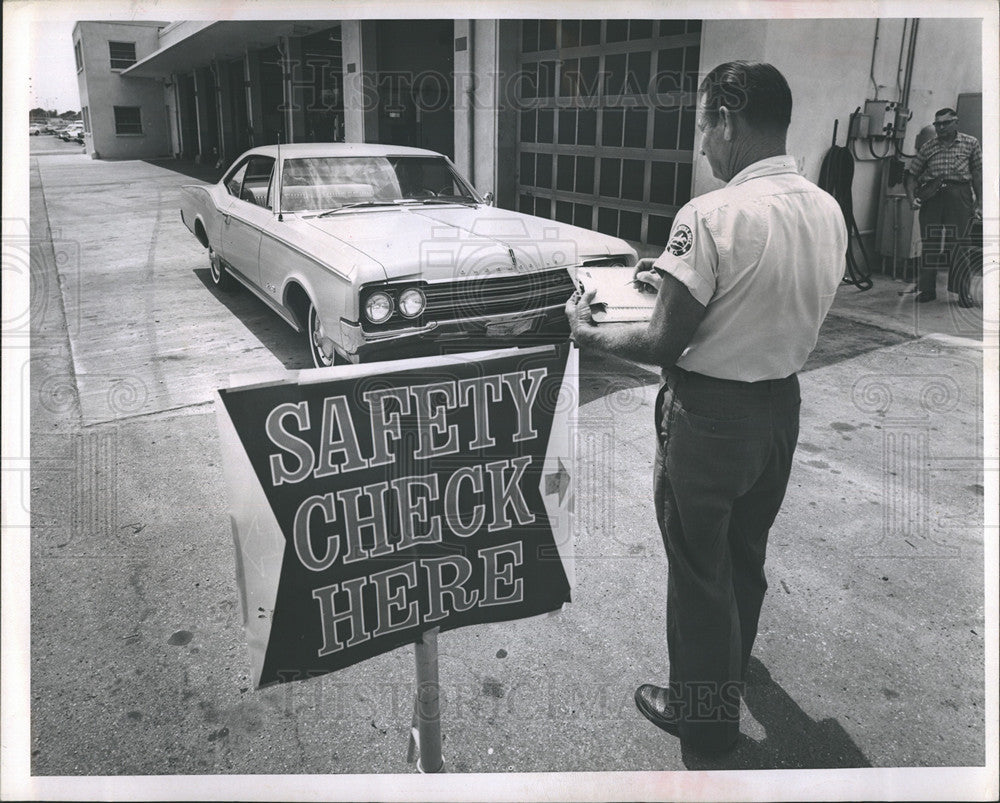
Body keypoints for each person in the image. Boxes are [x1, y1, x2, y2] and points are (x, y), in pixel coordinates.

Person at [565, 61, 847, 756]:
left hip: (710, 419)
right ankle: (729, 665)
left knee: (697, 570)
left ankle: (705, 717)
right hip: (780, 408)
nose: (700, 146)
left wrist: (589, 331)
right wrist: (667, 278)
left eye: (702, 127)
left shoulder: (711, 214)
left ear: (727, 118)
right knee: (744, 554)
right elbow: (764, 291)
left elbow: (665, 340)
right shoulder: (826, 208)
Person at [903, 107, 983, 305]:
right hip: (933, 197)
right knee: (930, 243)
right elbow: (912, 175)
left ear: (956, 122)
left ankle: (963, 293)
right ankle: (928, 290)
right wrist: (911, 197)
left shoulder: (970, 143)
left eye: (945, 123)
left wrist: (980, 202)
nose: (940, 127)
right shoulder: (928, 147)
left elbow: (978, 174)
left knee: (960, 244)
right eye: (937, 124)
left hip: (960, 194)